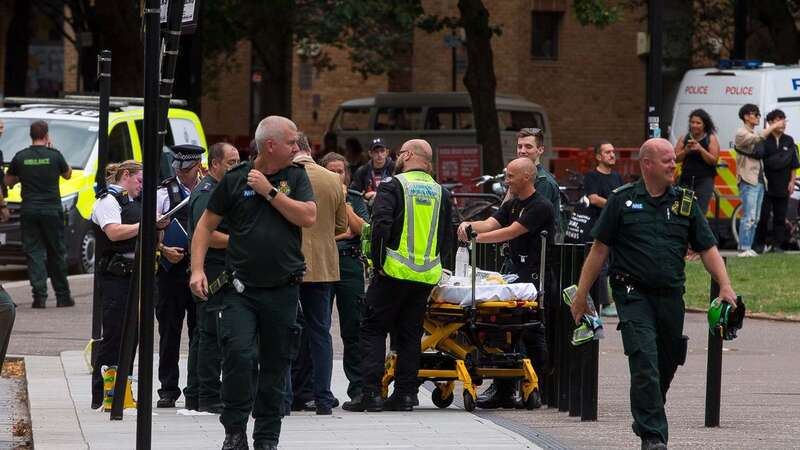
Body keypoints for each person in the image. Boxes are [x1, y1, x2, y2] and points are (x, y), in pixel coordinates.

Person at [570, 138, 737, 450]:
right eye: (666, 160)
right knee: (644, 360)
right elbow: (599, 250)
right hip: (632, 295)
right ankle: (653, 436)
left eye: (673, 159)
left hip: (671, 296)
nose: (673, 164)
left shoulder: (684, 202)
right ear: (647, 164)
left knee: (669, 357)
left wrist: (725, 284)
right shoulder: (621, 201)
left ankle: (646, 412)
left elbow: (707, 248)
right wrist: (582, 295)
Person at [190, 116, 315, 450]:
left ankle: (266, 439)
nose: (298, 147)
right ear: (270, 145)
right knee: (238, 357)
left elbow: (307, 216)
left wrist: (270, 191)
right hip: (240, 290)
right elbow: (204, 227)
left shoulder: (296, 176)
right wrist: (197, 270)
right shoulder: (233, 180)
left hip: (283, 289)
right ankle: (234, 431)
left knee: (275, 366)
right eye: (292, 142)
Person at [344, 139, 453, 412]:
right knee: (409, 334)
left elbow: (380, 226)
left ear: (406, 155)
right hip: (425, 277)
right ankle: (406, 394)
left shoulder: (393, 185)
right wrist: (442, 270)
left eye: (399, 154)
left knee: (372, 329)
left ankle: (371, 395)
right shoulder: (441, 192)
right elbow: (447, 236)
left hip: (392, 271)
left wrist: (377, 263)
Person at [457, 157, 554, 409]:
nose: (506, 181)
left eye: (510, 176)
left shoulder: (540, 206)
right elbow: (491, 223)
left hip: (533, 276)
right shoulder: (512, 204)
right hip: (513, 274)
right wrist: (468, 225)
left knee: (532, 331)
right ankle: (504, 388)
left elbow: (512, 231)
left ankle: (538, 387)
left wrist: (477, 239)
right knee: (502, 329)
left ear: (525, 177)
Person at [286, 133, 347, 416]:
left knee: (284, 330)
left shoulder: (285, 177)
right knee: (321, 332)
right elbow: (340, 226)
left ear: (294, 148)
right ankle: (323, 398)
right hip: (323, 265)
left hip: (288, 263)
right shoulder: (332, 179)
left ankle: (285, 397)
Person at [186, 142, 241, 414]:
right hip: (212, 270)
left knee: (205, 332)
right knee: (210, 333)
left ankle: (197, 392)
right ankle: (207, 394)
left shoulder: (222, 189)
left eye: (238, 161)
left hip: (219, 267)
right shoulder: (208, 193)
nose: (236, 167)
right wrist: (241, 241)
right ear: (214, 164)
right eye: (231, 162)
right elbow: (205, 234)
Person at [89, 160, 143, 409]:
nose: (141, 187)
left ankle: (122, 391)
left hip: (133, 277)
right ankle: (102, 396)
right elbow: (113, 232)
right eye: (139, 181)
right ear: (125, 175)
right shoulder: (107, 201)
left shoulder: (131, 202)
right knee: (114, 335)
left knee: (131, 336)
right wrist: (145, 227)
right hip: (114, 278)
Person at [155, 144, 204, 409]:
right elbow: (149, 230)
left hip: (199, 269)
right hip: (171, 272)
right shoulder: (163, 192)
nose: (180, 174)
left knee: (200, 331)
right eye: (178, 169)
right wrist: (162, 248)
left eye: (185, 170)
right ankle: (168, 388)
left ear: (197, 167)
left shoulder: (208, 189)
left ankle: (195, 386)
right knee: (169, 331)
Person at [320, 152, 370, 410]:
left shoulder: (354, 199)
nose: (337, 176)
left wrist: (345, 204)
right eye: (331, 171)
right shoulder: (316, 197)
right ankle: (319, 391)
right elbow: (322, 232)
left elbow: (361, 230)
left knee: (354, 327)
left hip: (349, 264)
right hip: (324, 261)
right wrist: (343, 233)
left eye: (341, 171)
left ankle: (359, 389)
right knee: (319, 326)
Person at [5, 120, 73, 308]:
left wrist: (22, 176)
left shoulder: (21, 157)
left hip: (29, 210)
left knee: (34, 252)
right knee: (56, 251)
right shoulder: (54, 155)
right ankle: (63, 296)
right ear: (46, 135)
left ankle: (39, 297)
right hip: (52, 210)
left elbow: (8, 181)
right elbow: (68, 174)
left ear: (31, 135)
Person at [735, 104, 784, 257]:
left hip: (759, 180)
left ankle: (748, 248)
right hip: (748, 179)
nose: (757, 117)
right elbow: (758, 137)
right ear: (745, 116)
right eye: (754, 114)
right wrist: (774, 125)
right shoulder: (741, 133)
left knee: (755, 218)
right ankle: (743, 248)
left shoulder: (753, 132)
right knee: (748, 216)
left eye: (758, 115)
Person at [582, 142, 624, 316]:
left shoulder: (617, 177)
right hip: (598, 226)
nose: (612, 155)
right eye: (607, 152)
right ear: (599, 157)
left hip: (616, 227)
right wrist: (614, 206)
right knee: (601, 266)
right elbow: (593, 199)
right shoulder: (592, 177)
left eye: (613, 151)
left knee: (616, 265)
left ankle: (616, 300)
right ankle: (604, 304)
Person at [755, 109, 799, 253]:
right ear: (770, 123)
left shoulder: (789, 140)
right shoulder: (763, 139)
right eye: (779, 120)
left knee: (780, 217)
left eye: (784, 120)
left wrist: (792, 181)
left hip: (783, 185)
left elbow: (794, 164)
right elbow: (760, 157)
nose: (783, 123)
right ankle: (759, 244)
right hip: (765, 185)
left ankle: (777, 246)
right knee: (763, 216)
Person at [674, 109, 721, 216]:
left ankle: (697, 232)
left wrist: (700, 149)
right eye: (692, 122)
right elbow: (676, 159)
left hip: (704, 180)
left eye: (698, 123)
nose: (694, 125)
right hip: (686, 179)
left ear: (704, 125)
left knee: (699, 213)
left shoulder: (711, 138)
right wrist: (686, 151)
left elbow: (713, 161)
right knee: (684, 212)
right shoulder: (684, 138)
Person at [514, 127, 562, 231]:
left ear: (540, 150)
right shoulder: (517, 177)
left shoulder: (544, 182)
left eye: (528, 147)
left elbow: (530, 222)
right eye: (519, 146)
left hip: (539, 244)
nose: (522, 151)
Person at [349, 137, 395, 204]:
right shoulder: (362, 171)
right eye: (376, 152)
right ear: (370, 153)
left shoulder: (394, 168)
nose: (379, 155)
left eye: (382, 151)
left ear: (387, 152)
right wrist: (364, 196)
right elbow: (353, 193)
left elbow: (400, 191)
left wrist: (378, 194)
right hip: (368, 207)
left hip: (390, 205)